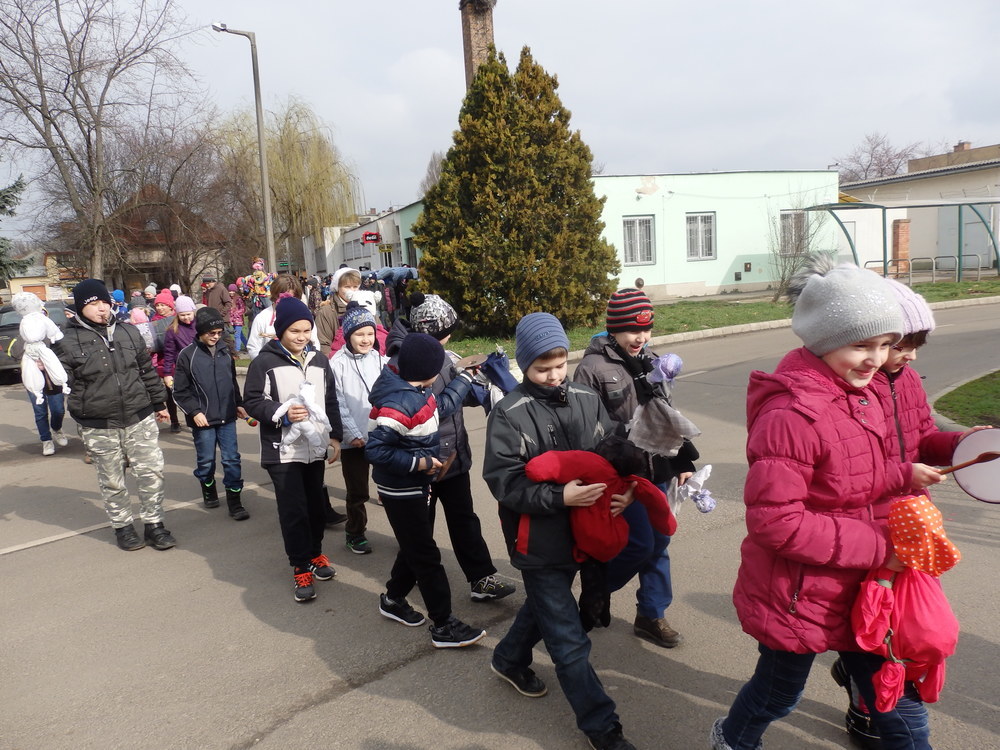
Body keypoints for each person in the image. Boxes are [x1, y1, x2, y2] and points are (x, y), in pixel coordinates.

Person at [710, 260, 945, 750]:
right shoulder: (791, 414)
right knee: (777, 695)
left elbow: (854, 474)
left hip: (866, 590)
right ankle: (731, 740)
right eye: (861, 345)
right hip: (800, 594)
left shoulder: (863, 392)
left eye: (885, 344)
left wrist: (908, 473)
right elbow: (777, 523)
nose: (876, 359)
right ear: (823, 340)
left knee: (900, 714)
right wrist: (883, 548)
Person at [828, 279, 992, 749]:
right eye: (903, 344)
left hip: (910, 524)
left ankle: (861, 682)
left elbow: (921, 439)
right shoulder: (855, 386)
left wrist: (962, 443)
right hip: (868, 528)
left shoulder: (908, 382)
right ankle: (865, 703)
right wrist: (901, 474)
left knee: (904, 627)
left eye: (917, 344)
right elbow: (850, 468)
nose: (912, 356)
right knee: (874, 631)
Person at [484, 312, 637, 750]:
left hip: (586, 533)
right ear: (523, 365)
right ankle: (603, 728)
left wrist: (625, 492)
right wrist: (559, 497)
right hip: (539, 540)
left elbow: (613, 455)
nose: (553, 376)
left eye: (559, 365)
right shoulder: (509, 413)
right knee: (568, 641)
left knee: (547, 609)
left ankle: (507, 658)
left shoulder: (588, 398)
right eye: (541, 369)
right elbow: (505, 482)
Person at [574, 288, 698, 648]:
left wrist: (682, 462)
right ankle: (597, 589)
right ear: (613, 328)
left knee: (660, 542)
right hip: (621, 476)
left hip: (657, 471)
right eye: (632, 329)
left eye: (646, 329)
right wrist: (618, 483)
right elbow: (588, 431)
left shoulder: (653, 361)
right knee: (640, 544)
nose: (641, 337)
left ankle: (651, 614)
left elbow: (666, 417)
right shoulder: (592, 369)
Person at [389, 292, 516, 602]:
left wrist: (482, 381)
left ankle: (481, 577)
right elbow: (432, 409)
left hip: (454, 457)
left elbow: (464, 397)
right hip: (423, 463)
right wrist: (461, 382)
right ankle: (402, 585)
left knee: (464, 520)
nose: (449, 339)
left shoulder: (445, 356)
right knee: (420, 530)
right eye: (446, 334)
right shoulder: (404, 362)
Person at [366, 332, 487, 649]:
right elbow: (376, 451)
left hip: (415, 485)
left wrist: (464, 378)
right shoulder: (398, 404)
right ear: (429, 371)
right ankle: (443, 625)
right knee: (427, 556)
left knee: (414, 547)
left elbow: (441, 405)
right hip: (401, 489)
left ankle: (393, 599)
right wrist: (418, 463)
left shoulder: (418, 391)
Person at [54, 279, 176, 552]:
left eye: (105, 303)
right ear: (80, 307)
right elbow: (61, 381)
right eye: (94, 304)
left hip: (139, 416)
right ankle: (123, 528)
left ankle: (154, 525)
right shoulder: (66, 340)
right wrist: (44, 371)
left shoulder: (128, 332)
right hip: (99, 423)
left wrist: (159, 402)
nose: (102, 309)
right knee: (112, 480)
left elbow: (146, 370)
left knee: (151, 473)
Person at [243, 296, 343, 602]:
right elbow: (253, 401)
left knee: (316, 507)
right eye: (294, 331)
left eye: (306, 330)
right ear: (281, 330)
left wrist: (335, 437)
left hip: (314, 447)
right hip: (282, 452)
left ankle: (315, 554)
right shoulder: (264, 362)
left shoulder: (320, 361)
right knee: (294, 511)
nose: (301, 337)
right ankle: (300, 566)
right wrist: (283, 413)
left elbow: (330, 401)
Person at [172, 307, 250, 522]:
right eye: (211, 333)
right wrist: (194, 411)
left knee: (231, 459)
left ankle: (235, 501)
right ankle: (208, 487)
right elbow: (179, 391)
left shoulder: (225, 352)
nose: (216, 337)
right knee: (206, 461)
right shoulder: (187, 355)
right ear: (200, 331)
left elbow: (232, 381)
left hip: (227, 416)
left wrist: (238, 403)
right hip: (203, 419)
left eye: (219, 333)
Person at [329, 302, 388, 554]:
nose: (366, 339)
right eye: (359, 334)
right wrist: (352, 433)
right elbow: (338, 402)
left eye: (370, 333)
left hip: (381, 434)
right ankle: (355, 532)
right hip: (353, 442)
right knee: (357, 491)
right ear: (348, 335)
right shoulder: (337, 364)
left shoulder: (380, 360)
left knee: (390, 486)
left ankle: (404, 532)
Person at [246, 275, 320, 360]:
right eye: (283, 297)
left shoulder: (304, 316)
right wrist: (267, 363)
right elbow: (254, 348)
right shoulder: (263, 318)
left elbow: (314, 343)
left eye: (293, 298)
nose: (288, 302)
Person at [160, 295, 198, 433]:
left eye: (188, 314)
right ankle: (189, 421)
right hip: (183, 370)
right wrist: (167, 373)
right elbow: (169, 353)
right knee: (187, 398)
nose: (186, 317)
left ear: (193, 311)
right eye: (182, 315)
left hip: (200, 367)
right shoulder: (173, 330)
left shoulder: (199, 326)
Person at [315, 267, 361, 358]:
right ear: (337, 288)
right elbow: (323, 345)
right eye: (347, 287)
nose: (352, 290)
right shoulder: (326, 312)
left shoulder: (367, 306)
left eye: (355, 287)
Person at [227, 283, 247, 353]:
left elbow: (243, 309)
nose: (231, 292)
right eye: (230, 291)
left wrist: (236, 313)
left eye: (233, 291)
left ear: (235, 291)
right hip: (232, 320)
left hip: (238, 320)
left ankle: (237, 350)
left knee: (236, 335)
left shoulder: (238, 299)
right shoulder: (228, 299)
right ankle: (247, 345)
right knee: (240, 334)